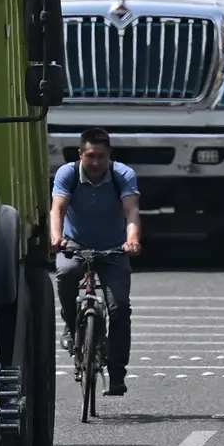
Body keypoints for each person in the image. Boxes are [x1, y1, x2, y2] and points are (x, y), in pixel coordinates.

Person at [49, 128, 141, 396]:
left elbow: (131, 210)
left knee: (120, 307)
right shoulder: (68, 174)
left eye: (101, 156)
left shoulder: (122, 174)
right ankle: (70, 323)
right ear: (81, 155)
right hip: (74, 245)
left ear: (109, 155)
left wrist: (132, 240)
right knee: (66, 274)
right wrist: (56, 237)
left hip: (113, 248)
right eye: (90, 156)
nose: (96, 162)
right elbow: (58, 209)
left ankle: (117, 375)